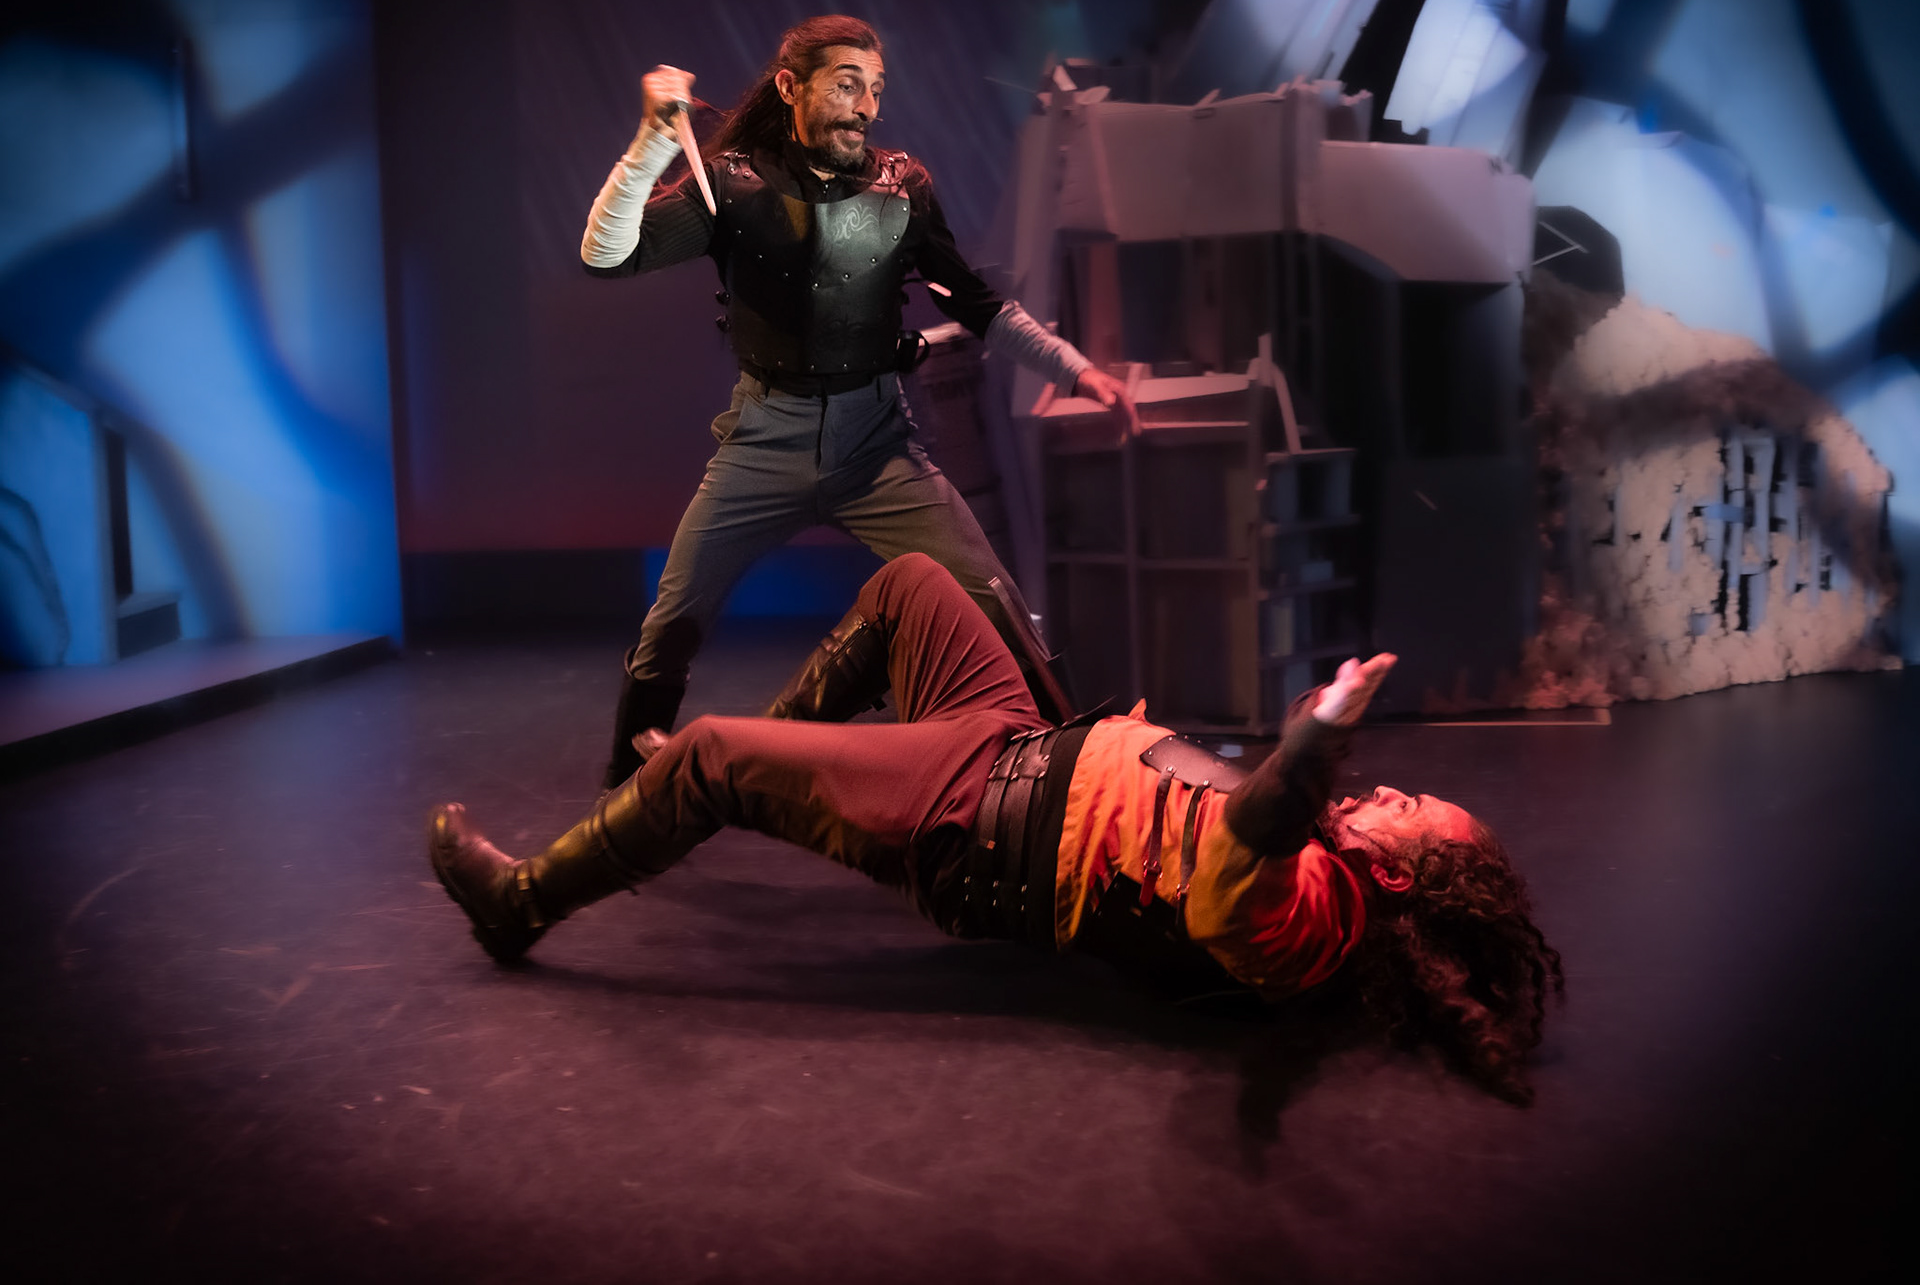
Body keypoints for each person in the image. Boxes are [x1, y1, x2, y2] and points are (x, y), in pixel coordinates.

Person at [429, 554, 1563, 1102]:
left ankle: (517, 904)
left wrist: (1313, 749)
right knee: (915, 583)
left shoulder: (1321, 923)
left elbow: (1232, 871)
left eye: (1408, 812)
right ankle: (734, 780)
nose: (1389, 795)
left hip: (982, 820)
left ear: (1405, 879)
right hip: (1016, 743)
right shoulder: (1330, 867)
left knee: (715, 750)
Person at [579, 13, 1137, 788]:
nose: (867, 106)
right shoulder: (732, 181)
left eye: (875, 88)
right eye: (847, 85)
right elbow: (608, 256)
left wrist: (1076, 371)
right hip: (762, 445)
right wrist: (650, 142)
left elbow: (976, 303)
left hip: (877, 448)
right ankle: (626, 797)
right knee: (668, 628)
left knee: (995, 605)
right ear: (790, 87)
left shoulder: (902, 185)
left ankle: (1074, 783)